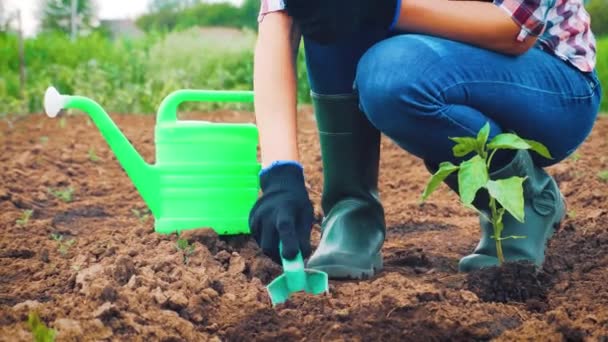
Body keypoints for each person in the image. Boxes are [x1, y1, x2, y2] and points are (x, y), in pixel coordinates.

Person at [248, 0, 602, 279]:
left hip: (550, 83)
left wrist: (382, 7)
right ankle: (350, 210)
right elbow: (283, 16)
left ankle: (524, 202)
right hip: (432, 57)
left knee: (392, 73)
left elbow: (516, 28)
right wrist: (281, 176)